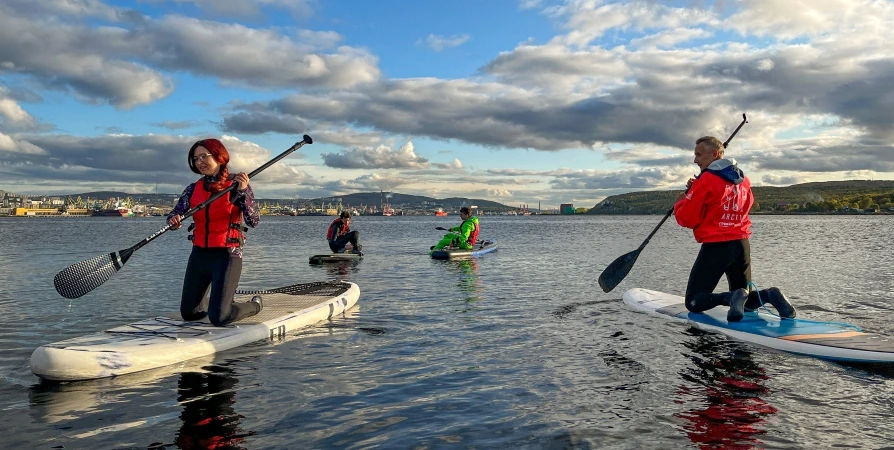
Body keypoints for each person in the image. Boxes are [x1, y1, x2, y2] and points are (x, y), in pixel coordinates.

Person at [674, 136, 795, 322]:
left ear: (715, 154)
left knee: (693, 302)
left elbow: (687, 219)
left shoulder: (705, 180)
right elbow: (748, 205)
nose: (695, 160)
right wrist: (695, 190)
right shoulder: (743, 180)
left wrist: (682, 200)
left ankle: (730, 297)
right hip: (741, 244)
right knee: (745, 301)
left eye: (699, 155)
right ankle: (769, 295)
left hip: (717, 247)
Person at [166, 138, 262, 326]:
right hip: (200, 254)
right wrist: (173, 220)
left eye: (204, 156)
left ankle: (255, 305)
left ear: (219, 157)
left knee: (219, 318)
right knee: (190, 314)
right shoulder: (193, 189)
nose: (199, 161)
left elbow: (254, 221)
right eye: (195, 158)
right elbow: (175, 212)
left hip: (228, 254)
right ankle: (223, 300)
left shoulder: (237, 184)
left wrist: (243, 193)